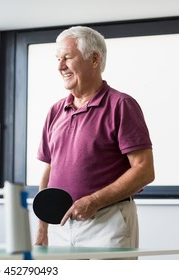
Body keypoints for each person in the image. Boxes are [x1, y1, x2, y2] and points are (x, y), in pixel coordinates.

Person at [34, 26, 155, 249]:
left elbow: (144, 170)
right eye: (58, 59)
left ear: (94, 59)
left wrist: (93, 201)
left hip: (107, 223)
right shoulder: (55, 111)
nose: (60, 66)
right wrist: (42, 228)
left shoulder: (121, 105)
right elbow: (50, 171)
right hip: (60, 226)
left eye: (68, 57)